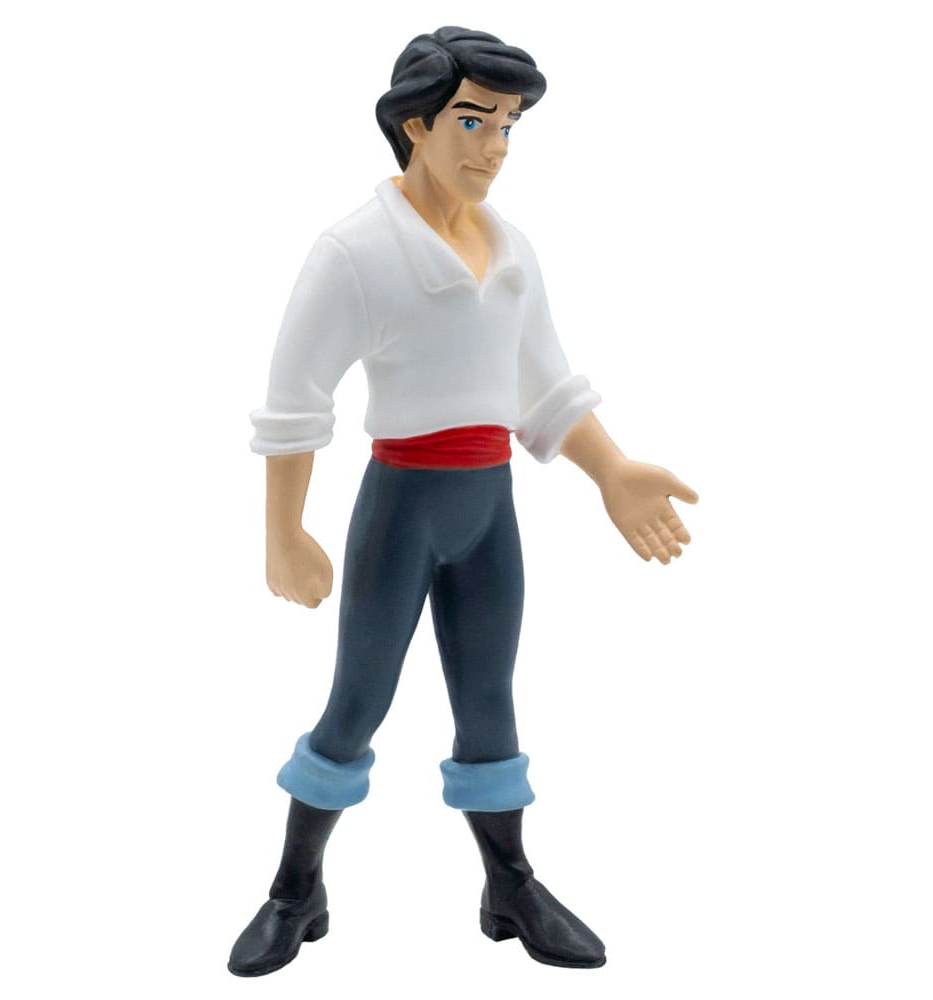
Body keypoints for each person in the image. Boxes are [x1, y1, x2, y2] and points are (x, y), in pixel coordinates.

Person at [229, 26, 698, 977]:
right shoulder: (355, 252)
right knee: (356, 705)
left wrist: (611, 470)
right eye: (474, 121)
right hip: (400, 507)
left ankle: (510, 884)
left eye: (509, 126)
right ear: (415, 123)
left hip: (489, 509)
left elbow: (546, 385)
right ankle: (294, 887)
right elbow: (294, 401)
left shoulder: (511, 250)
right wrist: (284, 532)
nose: (495, 148)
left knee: (490, 701)